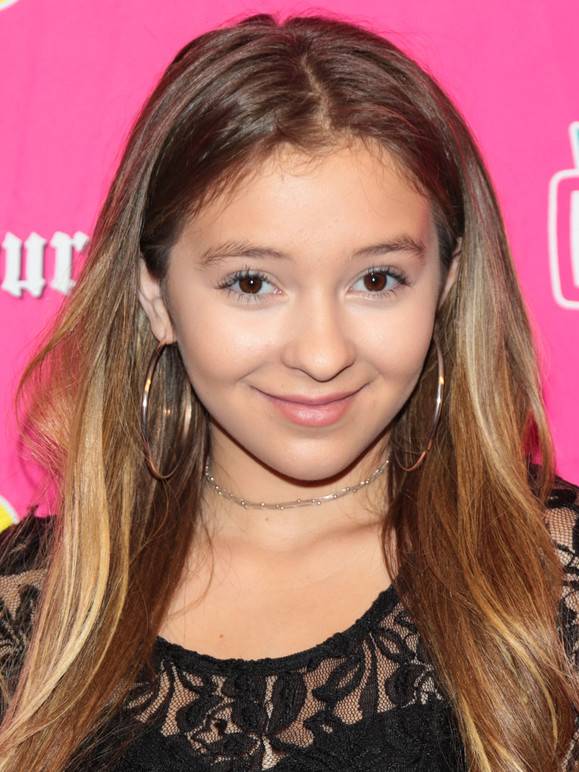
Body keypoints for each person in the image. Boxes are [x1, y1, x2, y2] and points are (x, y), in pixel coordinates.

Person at [0, 10, 577, 771]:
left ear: (446, 285)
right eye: (252, 283)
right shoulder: (29, 603)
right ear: (155, 296)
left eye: (377, 280)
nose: (321, 354)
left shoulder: (551, 579)